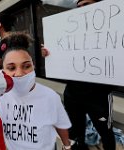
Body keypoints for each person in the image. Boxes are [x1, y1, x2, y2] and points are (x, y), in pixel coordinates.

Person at [0, 32, 72, 150]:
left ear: (33, 66)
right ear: (3, 71)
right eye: (11, 68)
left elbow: (61, 124)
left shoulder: (50, 96)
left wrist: (67, 146)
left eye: (26, 66)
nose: (20, 73)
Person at [42, 0, 116, 150]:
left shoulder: (112, 28)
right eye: (79, 6)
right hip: (73, 94)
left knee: (105, 131)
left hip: (99, 96)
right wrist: (50, 55)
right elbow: (62, 57)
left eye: (87, 4)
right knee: (75, 132)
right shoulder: (69, 30)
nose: (82, 9)